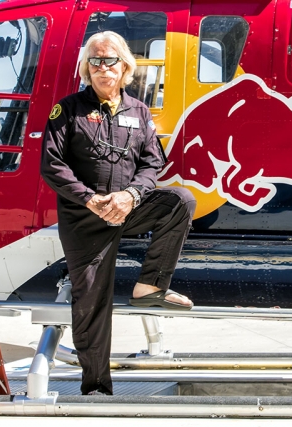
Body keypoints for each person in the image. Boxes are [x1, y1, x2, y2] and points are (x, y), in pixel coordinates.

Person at [41, 31, 196, 396]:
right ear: (86, 67)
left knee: (180, 201)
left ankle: (150, 286)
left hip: (127, 209)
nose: (102, 68)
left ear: (124, 66)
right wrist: (90, 199)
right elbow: (52, 165)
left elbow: (152, 162)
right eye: (95, 61)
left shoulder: (139, 111)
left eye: (110, 60)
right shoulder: (69, 110)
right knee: (92, 302)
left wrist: (130, 194)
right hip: (85, 218)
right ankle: (95, 386)